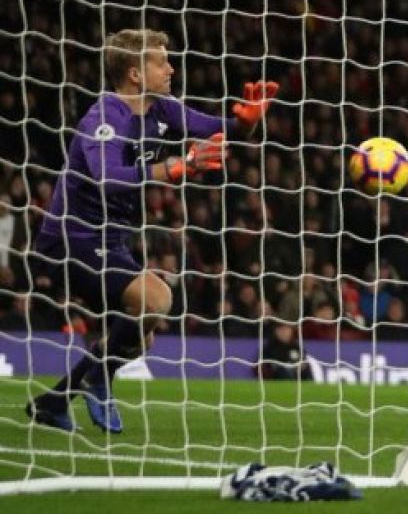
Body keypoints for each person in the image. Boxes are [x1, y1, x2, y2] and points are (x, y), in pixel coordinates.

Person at [27, 28, 277, 433]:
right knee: (157, 298)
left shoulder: (163, 108)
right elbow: (108, 177)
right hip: (71, 237)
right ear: (135, 73)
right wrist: (172, 167)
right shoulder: (105, 115)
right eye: (161, 61)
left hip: (110, 238)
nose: (171, 67)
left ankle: (55, 402)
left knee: (138, 339)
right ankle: (96, 379)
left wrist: (245, 122)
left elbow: (215, 129)